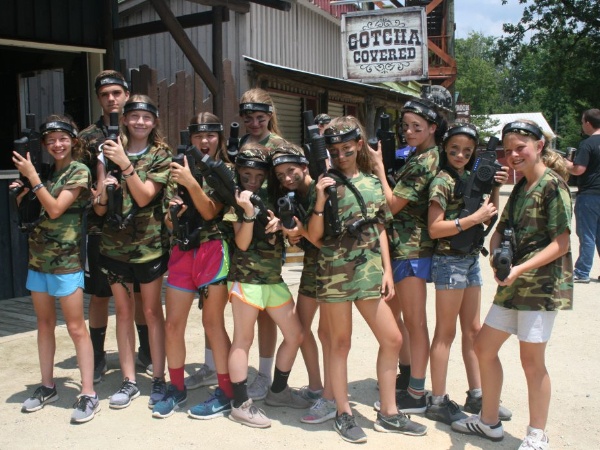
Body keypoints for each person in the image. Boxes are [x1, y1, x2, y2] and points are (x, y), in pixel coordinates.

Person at [452, 120, 573, 450]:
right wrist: (496, 258)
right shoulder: (521, 187)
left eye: (520, 147)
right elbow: (500, 231)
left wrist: (519, 268)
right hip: (513, 282)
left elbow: (560, 244)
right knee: (483, 347)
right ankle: (489, 421)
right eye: (509, 150)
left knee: (532, 362)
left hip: (541, 287)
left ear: (539, 146)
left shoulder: (552, 186)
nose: (514, 155)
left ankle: (537, 434)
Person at [307, 116, 426, 443]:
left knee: (392, 339)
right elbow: (313, 235)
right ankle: (343, 412)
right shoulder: (323, 183)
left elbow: (380, 228)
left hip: (369, 269)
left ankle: (389, 412)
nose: (341, 154)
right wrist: (319, 200)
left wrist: (387, 270)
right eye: (335, 149)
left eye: (347, 148)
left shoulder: (373, 183)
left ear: (359, 144)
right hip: (334, 271)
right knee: (339, 342)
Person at [13, 116, 99, 423]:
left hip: (66, 262)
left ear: (73, 141)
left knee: (76, 327)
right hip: (39, 260)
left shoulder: (79, 170)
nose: (57, 145)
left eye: (62, 139)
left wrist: (33, 178)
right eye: (50, 141)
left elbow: (55, 208)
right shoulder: (49, 172)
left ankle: (88, 392)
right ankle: (48, 385)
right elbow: (37, 210)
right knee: (44, 323)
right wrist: (23, 193)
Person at [425, 123, 511, 425]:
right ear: (445, 149)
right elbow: (434, 228)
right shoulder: (443, 181)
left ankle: (477, 395)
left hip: (470, 258)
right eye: (454, 149)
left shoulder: (468, 177)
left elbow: (490, 214)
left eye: (467, 150)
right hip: (449, 261)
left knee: (473, 331)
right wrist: (472, 219)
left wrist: (496, 186)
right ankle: (437, 400)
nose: (460, 154)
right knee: (445, 333)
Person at [152, 113, 234, 419]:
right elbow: (164, 217)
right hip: (183, 252)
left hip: (213, 250)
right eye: (199, 136)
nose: (205, 142)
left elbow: (212, 211)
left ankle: (226, 391)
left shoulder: (223, 169)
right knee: (173, 324)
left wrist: (190, 183)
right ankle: (176, 388)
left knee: (213, 324)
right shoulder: (176, 167)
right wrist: (173, 212)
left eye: (211, 136)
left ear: (219, 138)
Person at [93, 95, 170, 410]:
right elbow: (98, 208)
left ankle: (160, 378)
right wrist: (100, 193)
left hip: (148, 248)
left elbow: (144, 197)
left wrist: (125, 165)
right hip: (113, 248)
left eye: (146, 117)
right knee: (122, 313)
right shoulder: (105, 152)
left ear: (154, 122)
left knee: (151, 313)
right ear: (123, 119)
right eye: (133, 116)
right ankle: (129, 381)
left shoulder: (160, 155)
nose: (140, 122)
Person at [369, 97, 446, 414]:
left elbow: (391, 205)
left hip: (411, 250)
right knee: (397, 318)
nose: (409, 132)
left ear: (432, 128)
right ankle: (405, 378)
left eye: (417, 127)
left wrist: (378, 169)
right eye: (406, 126)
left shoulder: (424, 161)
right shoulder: (418, 156)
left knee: (414, 323)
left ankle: (415, 391)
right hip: (401, 250)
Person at [227, 145, 310, 428]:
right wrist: (249, 213)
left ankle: (278, 391)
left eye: (259, 175)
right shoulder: (236, 199)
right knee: (243, 340)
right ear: (238, 173)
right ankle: (240, 404)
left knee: (295, 334)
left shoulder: (275, 197)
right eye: (246, 174)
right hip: (247, 280)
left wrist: (281, 225)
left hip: (274, 279)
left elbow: (293, 235)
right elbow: (241, 243)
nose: (252, 180)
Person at [79, 70, 152, 382]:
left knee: (136, 292)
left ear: (126, 94)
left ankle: (146, 349)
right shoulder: (86, 139)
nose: (111, 99)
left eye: (116, 93)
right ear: (99, 98)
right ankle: (97, 355)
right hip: (100, 227)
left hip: (138, 228)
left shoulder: (140, 128)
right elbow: (79, 182)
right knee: (100, 293)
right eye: (105, 94)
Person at [224, 88, 286, 401]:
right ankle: (245, 379)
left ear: (270, 115)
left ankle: (265, 373)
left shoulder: (279, 145)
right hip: (243, 232)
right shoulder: (237, 145)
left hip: (271, 233)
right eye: (248, 118)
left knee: (268, 316)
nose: (254, 123)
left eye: (260, 117)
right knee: (248, 318)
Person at [270, 144, 333, 423]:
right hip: (312, 267)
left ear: (305, 167)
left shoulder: (323, 188)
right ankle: (317, 387)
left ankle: (332, 394)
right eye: (280, 174)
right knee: (303, 329)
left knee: (329, 334)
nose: (286, 178)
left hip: (334, 269)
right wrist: (292, 236)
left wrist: (301, 234)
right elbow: (303, 238)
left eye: (291, 171)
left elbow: (326, 240)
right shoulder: (291, 196)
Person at [564, 108, 600, 283]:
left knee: (587, 233)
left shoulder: (587, 144)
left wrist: (567, 164)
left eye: (582, 122)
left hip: (590, 194)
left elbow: (579, 170)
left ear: (588, 123)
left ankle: (582, 271)